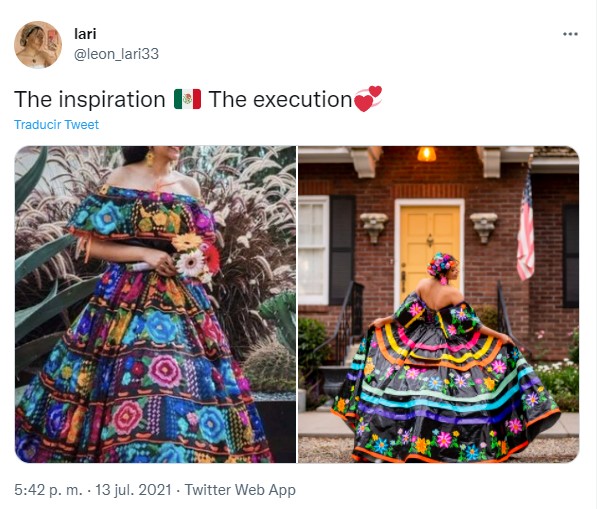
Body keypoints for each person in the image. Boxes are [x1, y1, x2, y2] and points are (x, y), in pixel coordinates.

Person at [15, 146, 273, 463]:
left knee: (184, 383)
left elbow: (203, 246)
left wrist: (193, 260)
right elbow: (90, 243)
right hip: (123, 300)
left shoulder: (189, 186)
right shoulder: (121, 177)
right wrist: (145, 254)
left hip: (182, 302)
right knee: (132, 377)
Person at [331, 252, 560, 463]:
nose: (457, 272)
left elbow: (404, 315)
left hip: (419, 340)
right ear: (444, 272)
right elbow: (471, 325)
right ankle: (444, 445)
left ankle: (405, 444)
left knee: (407, 388)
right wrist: (499, 335)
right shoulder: (453, 293)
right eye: (454, 269)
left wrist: (383, 320)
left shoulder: (422, 285)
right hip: (446, 344)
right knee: (459, 391)